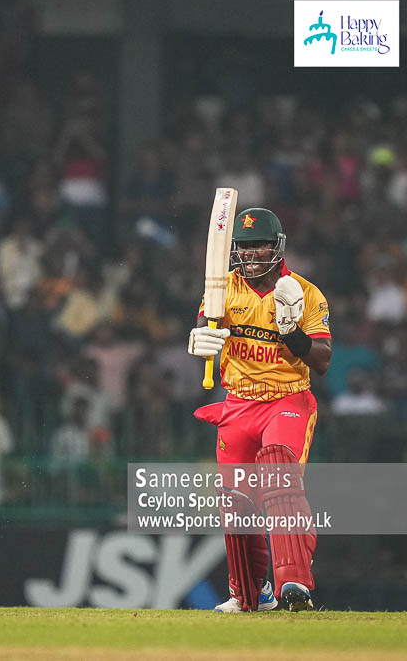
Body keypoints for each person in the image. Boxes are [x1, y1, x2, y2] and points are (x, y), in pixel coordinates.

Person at [188, 208, 331, 613]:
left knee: (278, 471)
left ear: (277, 246)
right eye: (244, 247)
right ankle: (250, 595)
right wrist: (201, 336)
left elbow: (322, 360)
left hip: (287, 399)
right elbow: (205, 321)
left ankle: (295, 585)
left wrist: (293, 335)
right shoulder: (222, 288)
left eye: (258, 246)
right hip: (237, 402)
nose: (250, 254)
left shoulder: (303, 292)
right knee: (236, 499)